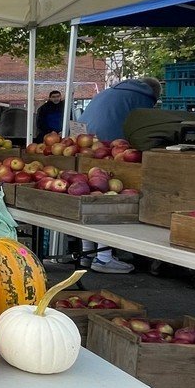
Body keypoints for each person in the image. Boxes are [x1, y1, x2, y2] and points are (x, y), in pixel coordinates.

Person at [76, 77, 162, 275]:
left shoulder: (110, 91)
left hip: (85, 143)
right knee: (109, 200)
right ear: (154, 94)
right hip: (111, 147)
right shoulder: (143, 98)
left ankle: (87, 254)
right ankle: (104, 258)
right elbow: (143, 129)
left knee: (92, 197)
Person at [79, 77, 161, 143]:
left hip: (79, 135)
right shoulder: (145, 98)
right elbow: (144, 129)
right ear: (155, 95)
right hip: (106, 141)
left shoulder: (107, 91)